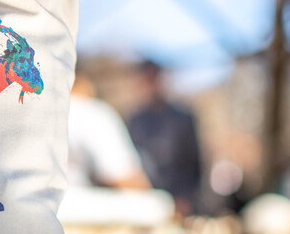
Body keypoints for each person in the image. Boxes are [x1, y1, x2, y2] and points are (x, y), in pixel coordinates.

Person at [126, 61, 204, 217]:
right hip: (144, 200)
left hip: (179, 201)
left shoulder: (182, 118)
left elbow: (194, 162)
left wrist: (186, 198)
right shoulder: (135, 121)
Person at [67, 68, 150, 190]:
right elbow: (126, 178)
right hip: (70, 205)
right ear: (83, 81)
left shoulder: (33, 109)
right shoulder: (91, 112)